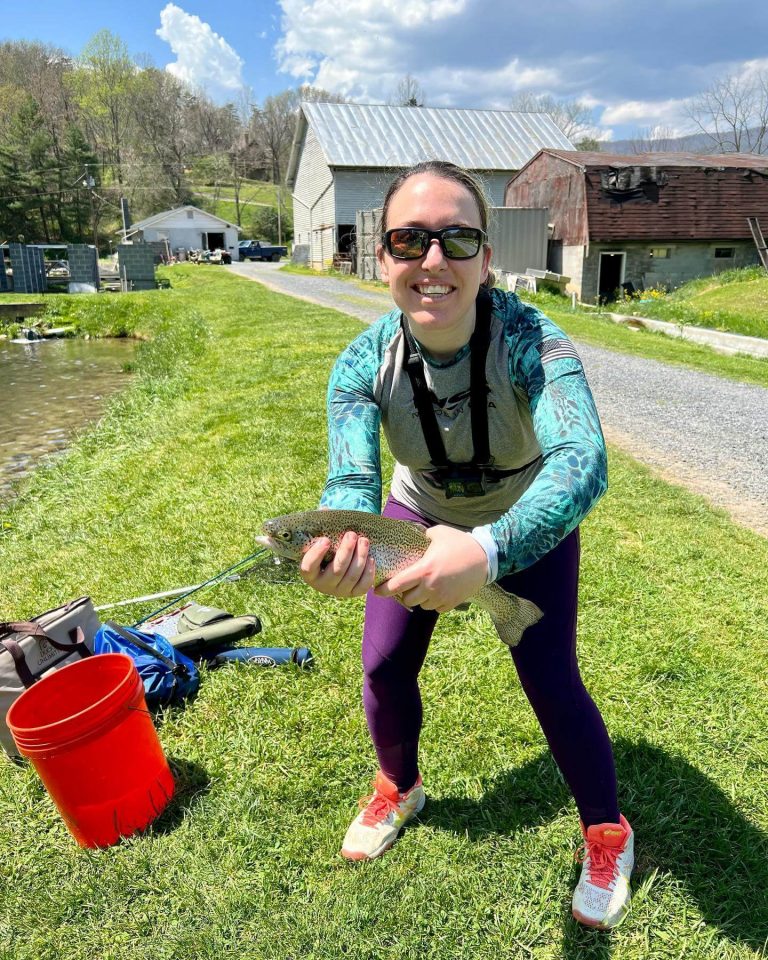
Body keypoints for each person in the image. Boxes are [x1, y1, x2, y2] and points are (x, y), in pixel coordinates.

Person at [298, 160, 634, 930]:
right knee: (383, 664)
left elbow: (583, 461)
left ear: (487, 257)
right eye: (410, 239)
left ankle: (608, 830)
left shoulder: (532, 341)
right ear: (381, 257)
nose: (433, 261)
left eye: (458, 238)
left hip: (522, 521)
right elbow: (351, 482)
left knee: (549, 677)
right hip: (414, 512)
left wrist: (484, 551)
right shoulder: (359, 366)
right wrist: (344, 545)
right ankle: (398, 785)